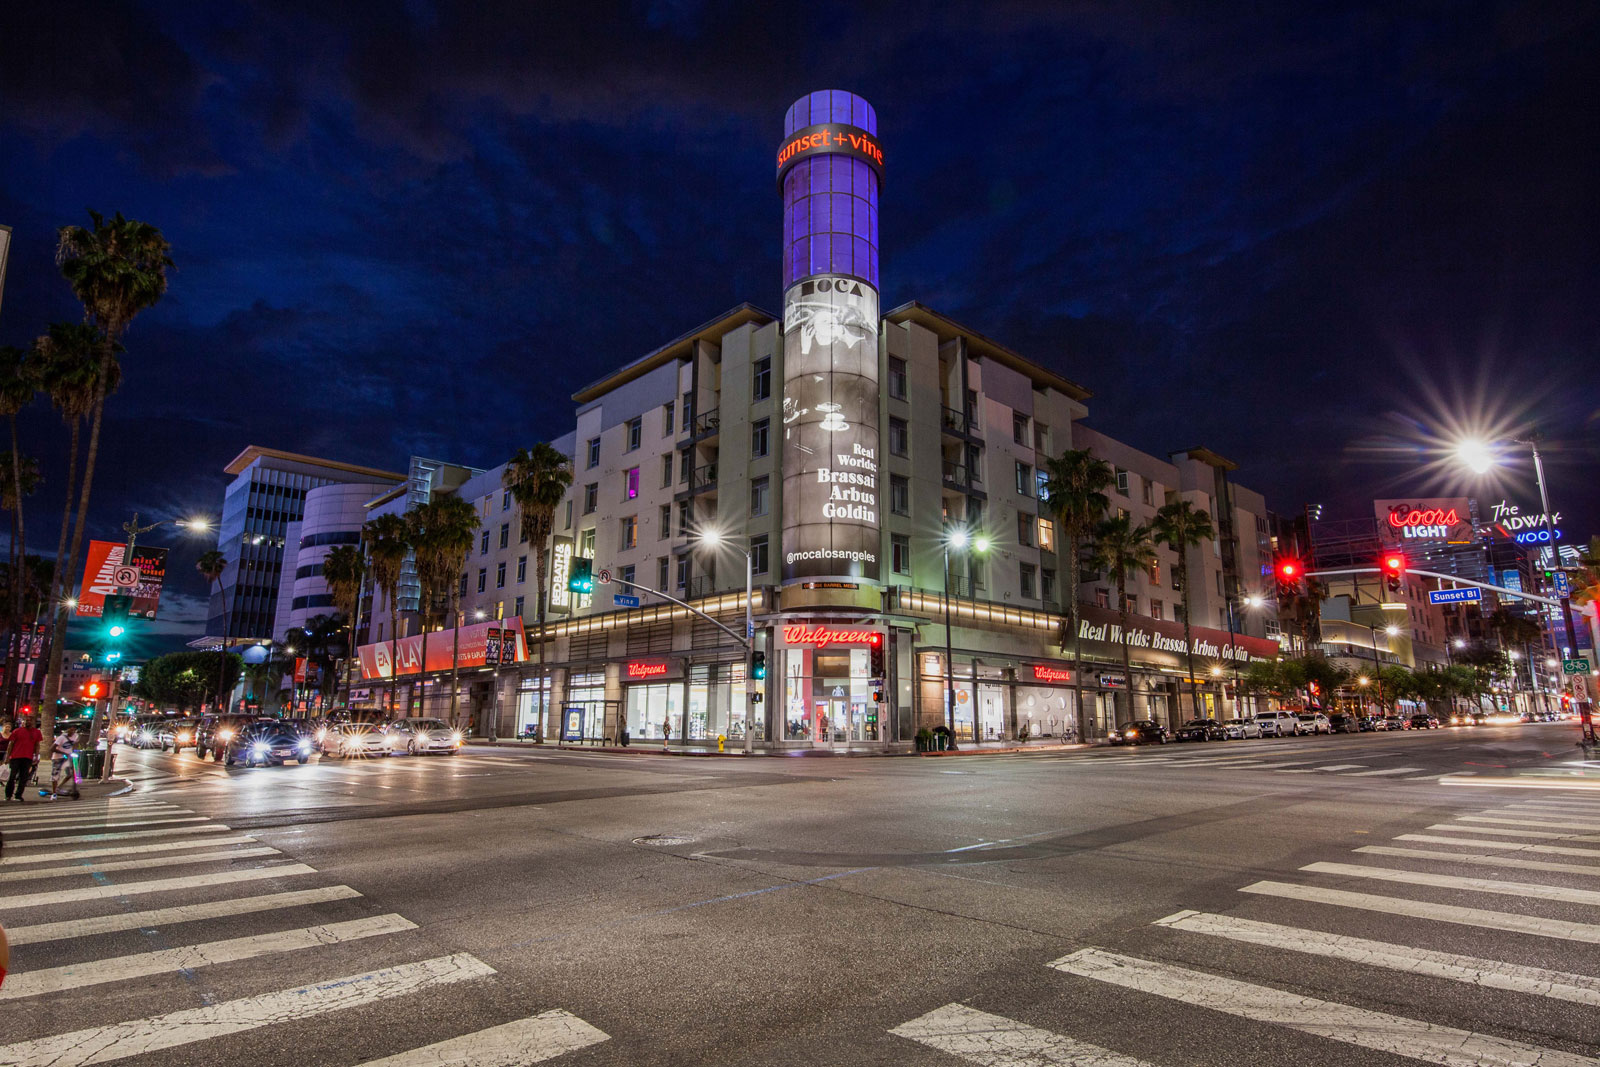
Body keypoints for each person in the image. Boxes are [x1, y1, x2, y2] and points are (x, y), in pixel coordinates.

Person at [4, 714, 44, 802]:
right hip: (15, 756)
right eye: (26, 720)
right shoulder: (17, 731)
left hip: (27, 757)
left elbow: (37, 745)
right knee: (12, 776)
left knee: (23, 777)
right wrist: (7, 757)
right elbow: (11, 744)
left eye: (29, 721)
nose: (27, 722)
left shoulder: (36, 732)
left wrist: (36, 757)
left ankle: (18, 795)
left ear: (33, 722)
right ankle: (8, 795)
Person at [50, 728, 81, 800]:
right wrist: (63, 753)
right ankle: (54, 793)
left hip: (67, 757)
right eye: (71, 730)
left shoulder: (75, 736)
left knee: (70, 774)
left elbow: (74, 744)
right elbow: (52, 748)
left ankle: (59, 787)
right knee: (55, 775)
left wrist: (71, 752)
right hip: (57, 758)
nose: (72, 732)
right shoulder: (61, 738)